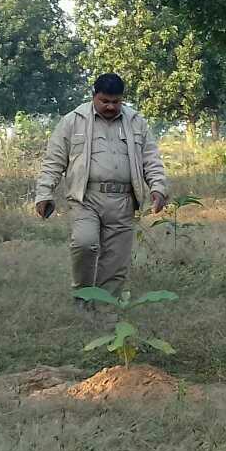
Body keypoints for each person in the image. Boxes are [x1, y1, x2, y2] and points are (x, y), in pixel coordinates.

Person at [34, 73, 169, 302]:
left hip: (123, 200)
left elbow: (151, 159)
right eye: (104, 101)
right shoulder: (73, 121)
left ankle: (106, 308)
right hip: (86, 197)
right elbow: (53, 161)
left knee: (116, 261)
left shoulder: (136, 122)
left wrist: (158, 187)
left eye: (116, 102)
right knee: (84, 243)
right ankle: (83, 297)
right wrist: (44, 193)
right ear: (93, 96)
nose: (110, 106)